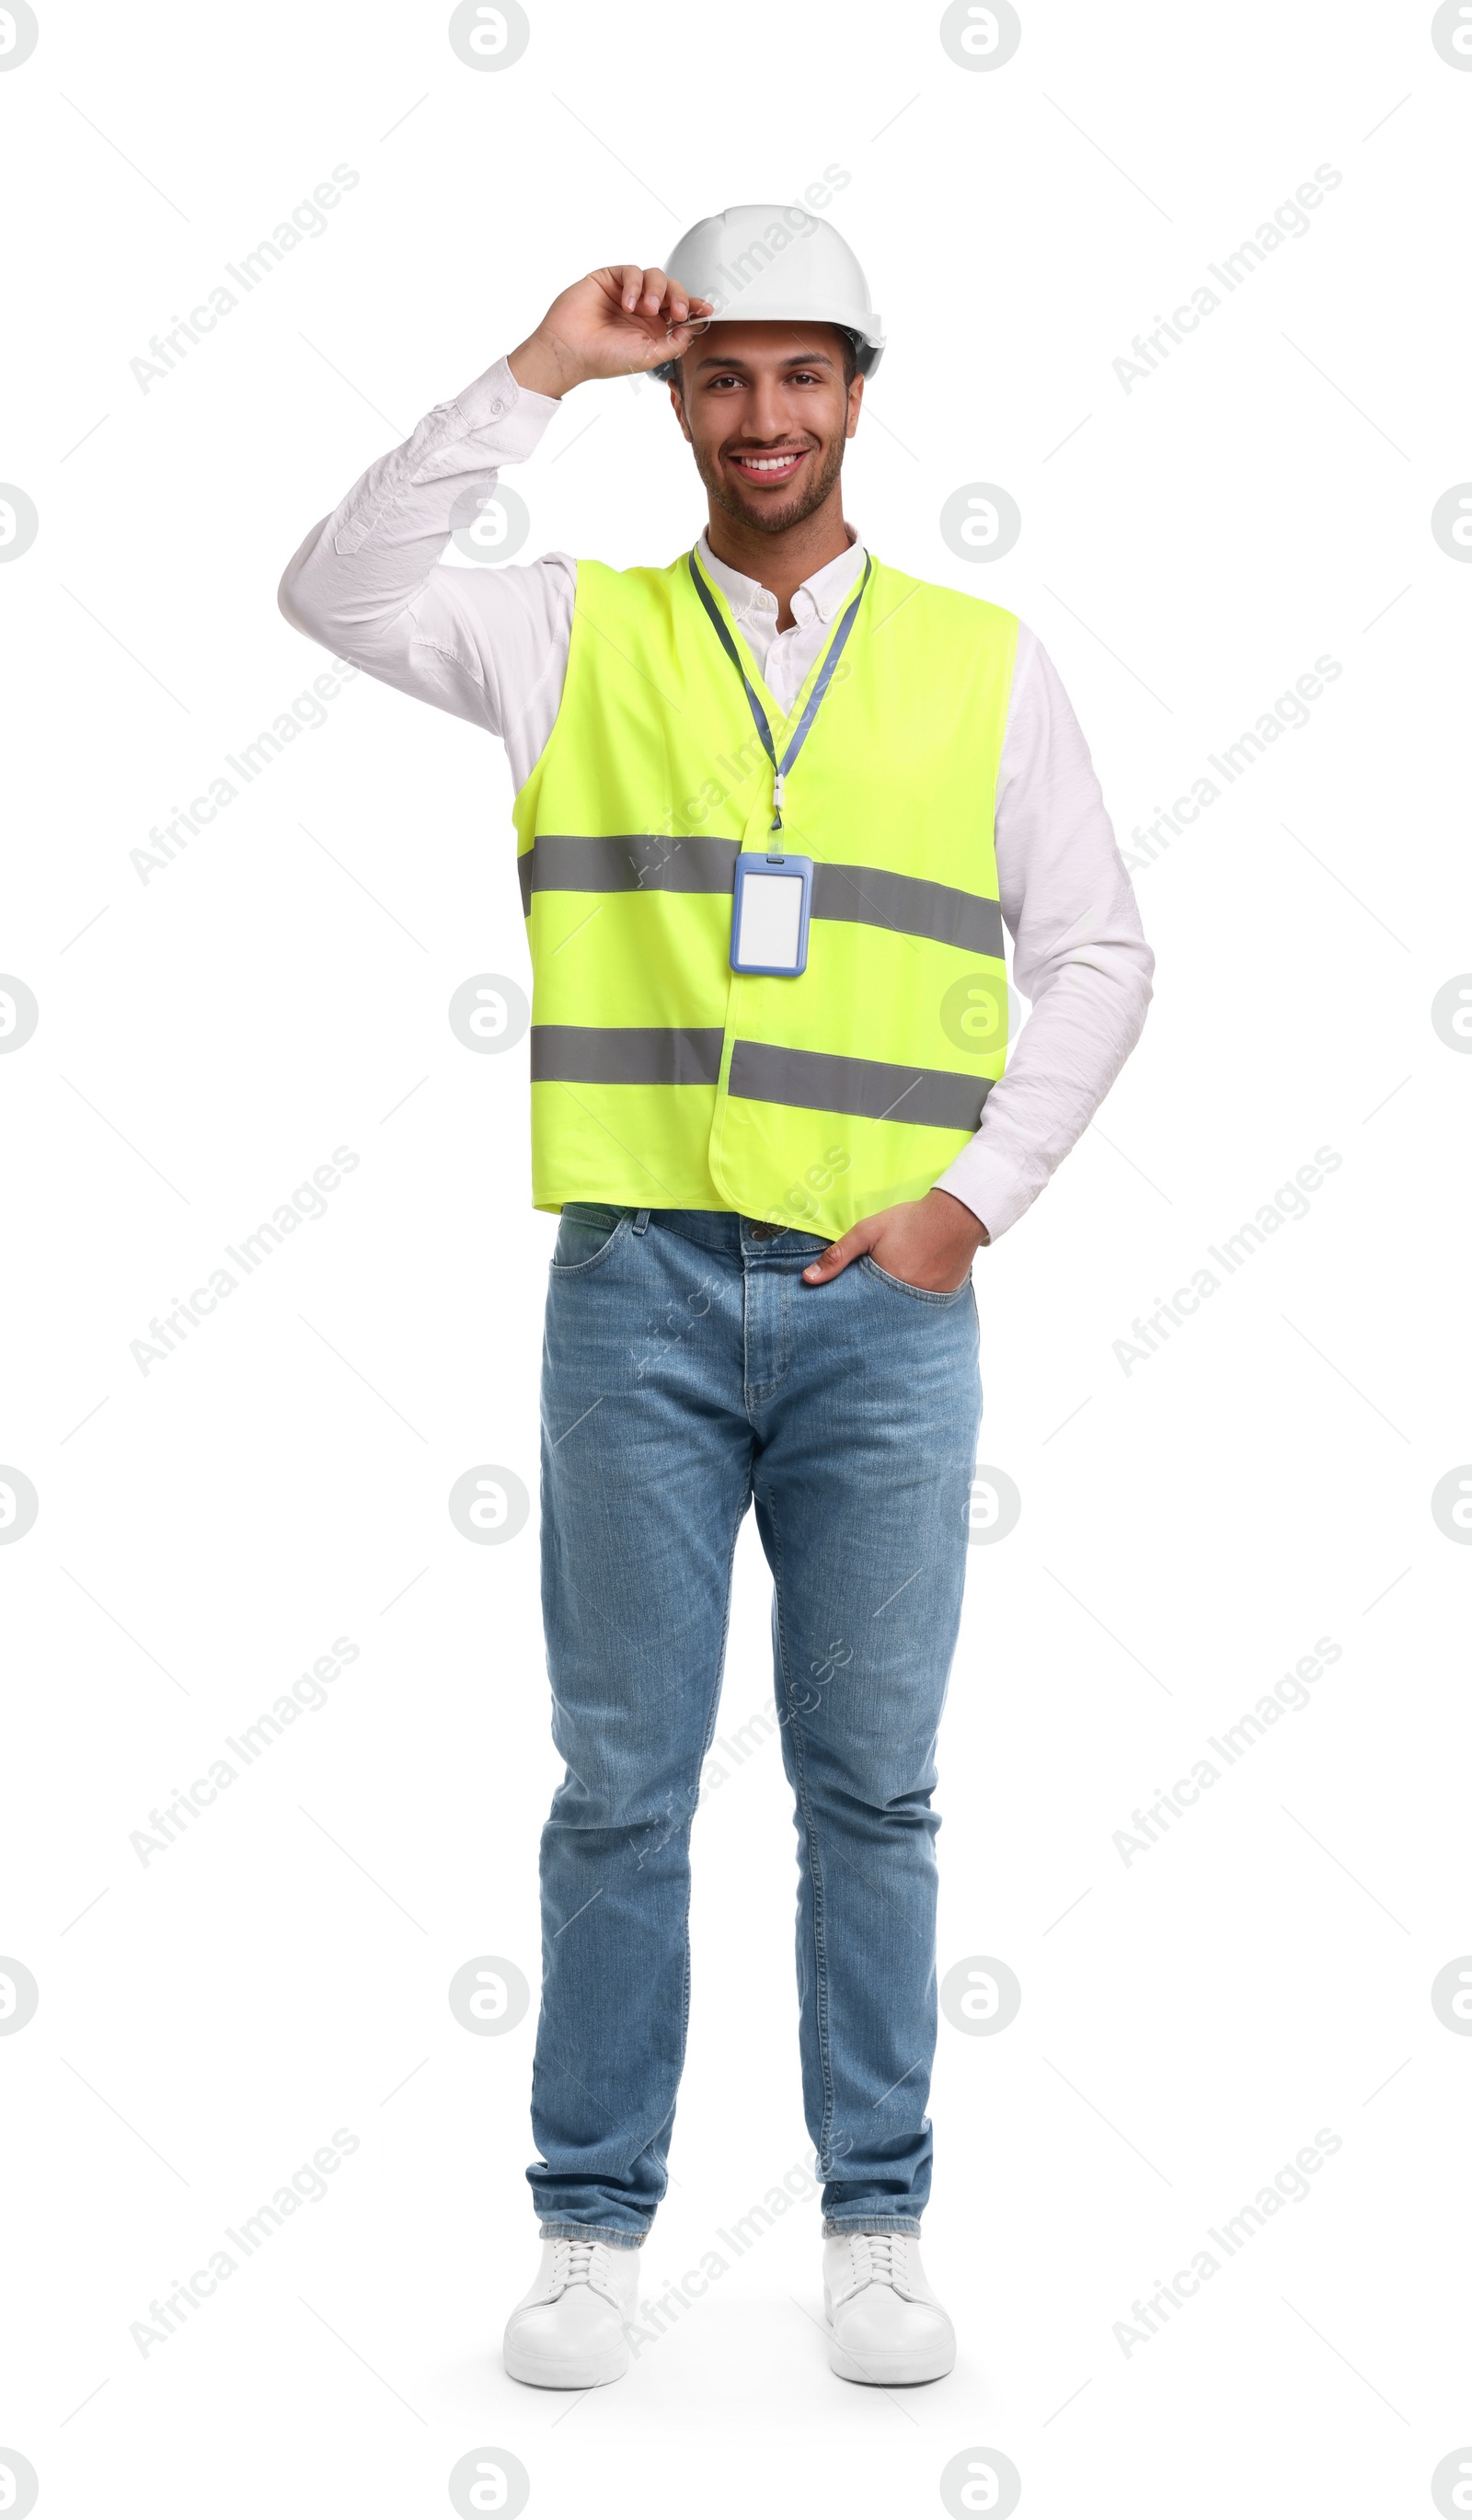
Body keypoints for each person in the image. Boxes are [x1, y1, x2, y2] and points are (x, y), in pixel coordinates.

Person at [280, 203, 1153, 2391]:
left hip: (881, 1306)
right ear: (673, 403)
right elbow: (332, 590)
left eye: (799, 375)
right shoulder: (562, 633)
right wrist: (535, 370)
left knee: (872, 1785)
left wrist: (975, 1197)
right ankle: (591, 2217)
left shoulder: (978, 658)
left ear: (858, 395)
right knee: (619, 1785)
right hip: (638, 1297)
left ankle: (874, 2212)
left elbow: (1100, 952)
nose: (761, 417)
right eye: (715, 376)